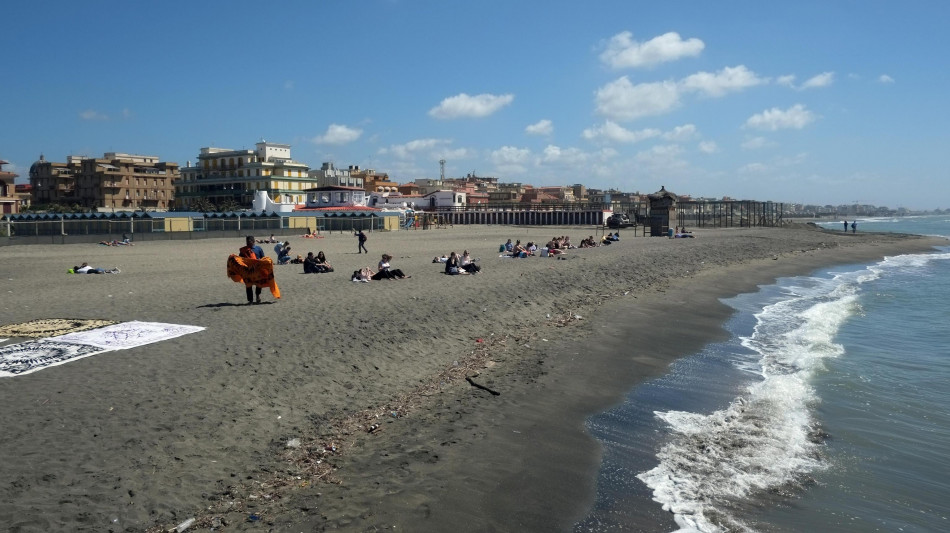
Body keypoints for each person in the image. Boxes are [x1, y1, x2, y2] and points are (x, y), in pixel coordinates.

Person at [230, 235, 280, 304]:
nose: (248, 244)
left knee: (259, 284)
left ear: (253, 242)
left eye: (249, 242)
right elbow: (240, 260)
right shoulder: (243, 250)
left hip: (257, 270)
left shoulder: (258, 249)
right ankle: (250, 300)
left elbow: (263, 258)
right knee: (248, 285)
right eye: (247, 242)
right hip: (248, 271)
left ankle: (257, 295)